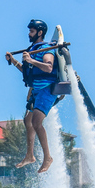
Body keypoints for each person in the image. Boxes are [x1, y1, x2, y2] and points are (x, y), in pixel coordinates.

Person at [5, 19, 58, 173]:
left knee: (36, 122)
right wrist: (14, 61)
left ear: (40, 32)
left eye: (32, 31)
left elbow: (48, 67)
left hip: (47, 89)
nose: (29, 34)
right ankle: (30, 155)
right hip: (36, 90)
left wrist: (31, 60)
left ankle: (48, 157)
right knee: (27, 120)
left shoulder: (47, 49)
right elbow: (28, 71)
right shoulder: (32, 49)